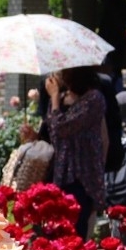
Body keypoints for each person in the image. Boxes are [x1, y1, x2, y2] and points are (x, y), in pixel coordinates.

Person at [42, 67, 108, 236]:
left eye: (59, 71)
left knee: (76, 231)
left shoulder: (93, 99)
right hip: (59, 175)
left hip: (82, 176)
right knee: (54, 232)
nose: (55, 75)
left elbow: (62, 127)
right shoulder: (60, 99)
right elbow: (54, 135)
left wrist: (54, 97)